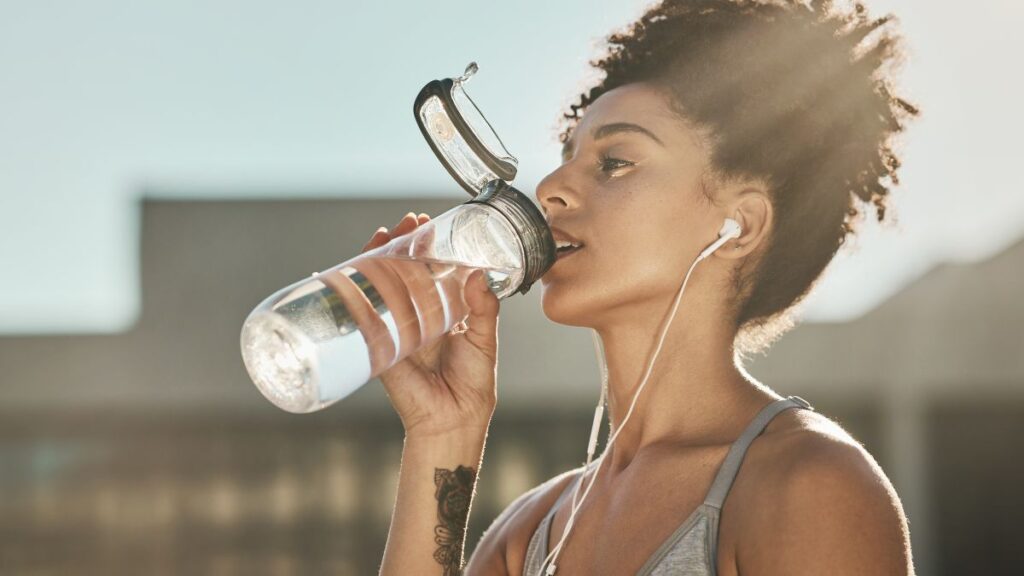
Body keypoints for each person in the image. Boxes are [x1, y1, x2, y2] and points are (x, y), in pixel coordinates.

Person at [375, 0, 919, 574]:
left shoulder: (808, 486)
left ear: (739, 226)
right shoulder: (529, 531)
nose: (552, 186)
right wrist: (442, 434)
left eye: (614, 162)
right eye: (567, 156)